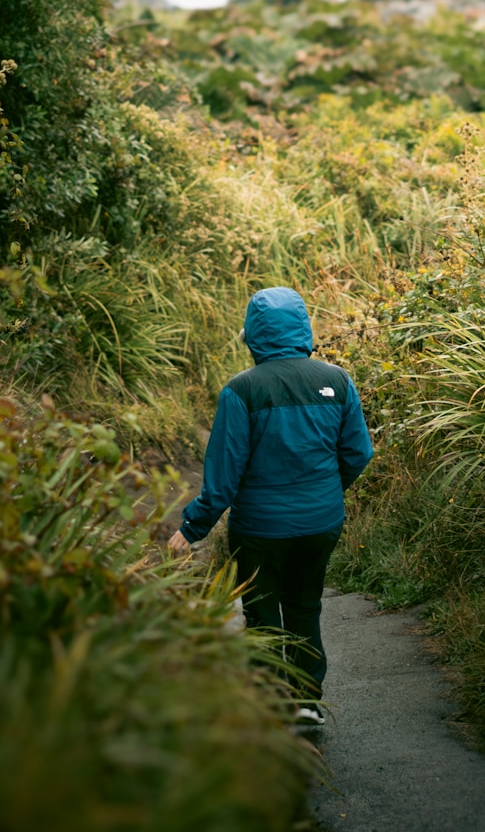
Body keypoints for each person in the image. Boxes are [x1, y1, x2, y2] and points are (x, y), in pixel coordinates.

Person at [167, 287, 373, 718]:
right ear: (302, 327)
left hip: (260, 529)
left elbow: (222, 478)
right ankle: (306, 704)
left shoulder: (241, 391)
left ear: (253, 335)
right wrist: (328, 492)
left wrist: (191, 529)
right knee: (304, 605)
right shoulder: (336, 379)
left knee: (262, 614)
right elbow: (358, 453)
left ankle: (273, 706)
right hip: (321, 523)